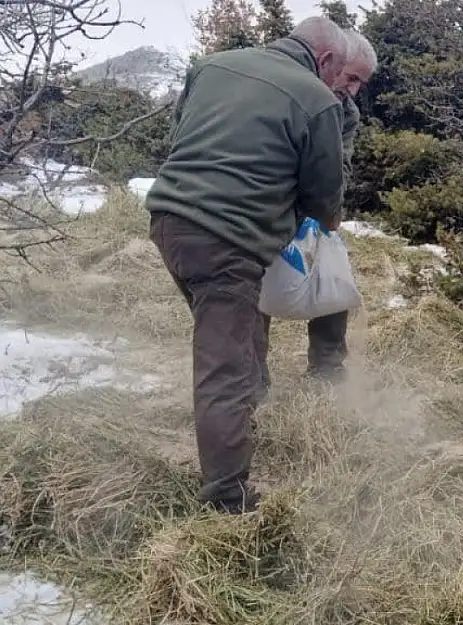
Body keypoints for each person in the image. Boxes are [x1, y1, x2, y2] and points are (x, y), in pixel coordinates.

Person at [145, 16, 350, 515]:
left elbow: (181, 138)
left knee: (234, 337)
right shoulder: (316, 98)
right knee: (224, 368)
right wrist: (312, 225)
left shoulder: (211, 66)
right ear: (324, 61)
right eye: (337, 73)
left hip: (168, 220)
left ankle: (247, 417)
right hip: (227, 240)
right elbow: (324, 198)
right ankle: (227, 499)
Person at [259, 28, 379, 384]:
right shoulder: (284, 87)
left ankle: (327, 370)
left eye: (361, 83)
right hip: (265, 200)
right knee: (253, 283)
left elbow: (339, 166)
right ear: (331, 62)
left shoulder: (347, 112)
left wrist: (324, 214)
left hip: (312, 200)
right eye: (351, 77)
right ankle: (251, 376)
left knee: (333, 275)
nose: (352, 89)